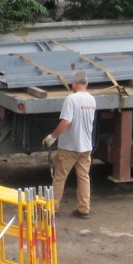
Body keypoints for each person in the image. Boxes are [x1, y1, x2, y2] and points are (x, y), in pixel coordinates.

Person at [43, 71, 96, 218]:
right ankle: (84, 209)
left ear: (73, 83)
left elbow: (66, 121)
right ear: (86, 84)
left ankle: (52, 208)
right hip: (86, 146)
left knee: (59, 177)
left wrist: (52, 137)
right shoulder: (92, 100)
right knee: (84, 177)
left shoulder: (71, 99)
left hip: (69, 147)